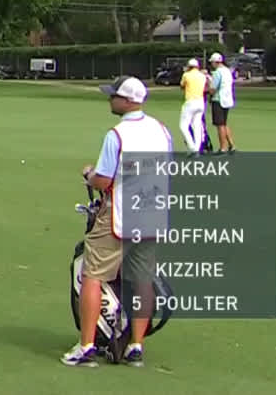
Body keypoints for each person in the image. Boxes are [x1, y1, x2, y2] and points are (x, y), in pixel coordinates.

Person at [64, 76, 173, 368]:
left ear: (127, 101)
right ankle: (135, 346)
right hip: (152, 211)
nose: (109, 99)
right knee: (142, 280)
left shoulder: (118, 134)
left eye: (113, 96)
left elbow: (104, 179)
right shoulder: (162, 130)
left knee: (93, 275)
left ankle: (86, 346)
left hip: (119, 214)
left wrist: (88, 175)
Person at [178, 57, 209, 155]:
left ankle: (192, 147)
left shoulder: (186, 75)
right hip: (200, 102)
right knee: (197, 126)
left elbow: (182, 86)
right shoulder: (202, 75)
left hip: (190, 102)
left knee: (183, 126)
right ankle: (197, 149)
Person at [207, 52, 236, 153]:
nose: (211, 64)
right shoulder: (227, 71)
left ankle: (223, 147)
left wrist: (207, 89)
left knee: (220, 125)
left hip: (219, 100)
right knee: (224, 123)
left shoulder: (218, 73)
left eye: (212, 62)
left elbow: (213, 89)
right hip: (227, 100)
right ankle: (231, 145)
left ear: (216, 62)